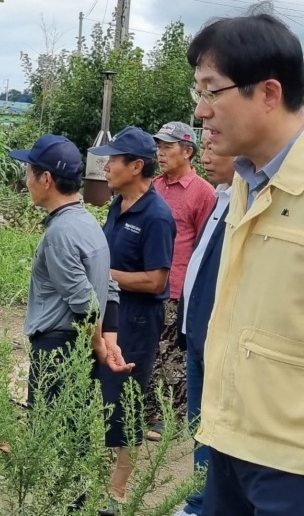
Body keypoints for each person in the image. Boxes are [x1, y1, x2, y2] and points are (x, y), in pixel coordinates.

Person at [188, 14, 304, 515]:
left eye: (212, 91)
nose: (200, 110)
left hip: (291, 464)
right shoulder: (245, 180)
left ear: (270, 93)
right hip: (229, 440)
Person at [88, 126, 176, 513]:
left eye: (113, 160)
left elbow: (157, 279)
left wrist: (103, 273)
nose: (105, 167)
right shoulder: (116, 204)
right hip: (111, 314)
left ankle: (118, 492)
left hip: (138, 320)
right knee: (102, 397)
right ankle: (98, 480)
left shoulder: (156, 216)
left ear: (136, 166)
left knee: (124, 402)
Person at [10, 134, 133, 408]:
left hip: (59, 349)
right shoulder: (87, 221)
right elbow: (109, 286)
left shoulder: (61, 232)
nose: (26, 181)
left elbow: (86, 304)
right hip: (79, 346)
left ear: (46, 179)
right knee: (72, 437)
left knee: (51, 440)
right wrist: (107, 339)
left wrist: (100, 346)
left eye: (29, 172)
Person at [171, 130, 234, 516]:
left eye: (215, 146)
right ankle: (199, 500)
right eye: (205, 145)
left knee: (214, 429)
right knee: (199, 427)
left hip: (214, 339)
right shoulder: (220, 200)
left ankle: (202, 504)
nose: (207, 153)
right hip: (196, 336)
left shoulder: (237, 204)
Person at [146, 122, 216, 441]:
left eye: (167, 147)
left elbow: (206, 244)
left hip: (177, 288)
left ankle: (170, 418)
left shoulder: (203, 192)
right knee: (148, 350)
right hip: (148, 283)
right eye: (158, 146)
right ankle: (147, 411)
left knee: (172, 355)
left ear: (187, 151)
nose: (160, 153)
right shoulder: (153, 186)